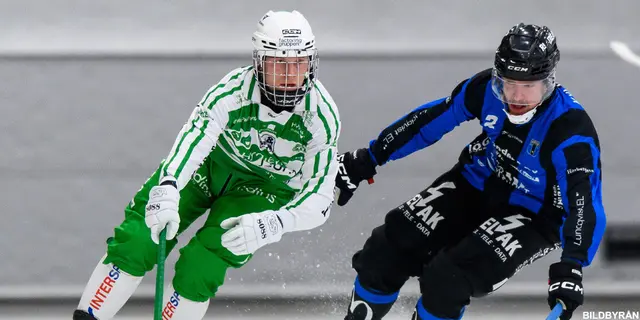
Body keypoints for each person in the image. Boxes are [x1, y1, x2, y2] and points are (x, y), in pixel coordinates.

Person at [73, 10, 340, 320]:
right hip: (210, 166)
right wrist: (169, 185)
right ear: (259, 63)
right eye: (278, 65)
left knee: (201, 266)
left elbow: (320, 197)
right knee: (140, 237)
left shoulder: (322, 117)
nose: (289, 77)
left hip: (263, 190)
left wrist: (277, 222)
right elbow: (194, 137)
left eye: (299, 64)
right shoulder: (232, 91)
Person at [335, 23, 606, 320]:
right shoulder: (486, 89)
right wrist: (369, 158)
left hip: (536, 215)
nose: (516, 96)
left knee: (448, 278)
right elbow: (431, 121)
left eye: (529, 86)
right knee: (385, 251)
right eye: (508, 83)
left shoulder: (571, 131)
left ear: (549, 82)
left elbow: (585, 202)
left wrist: (573, 264)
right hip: (475, 184)